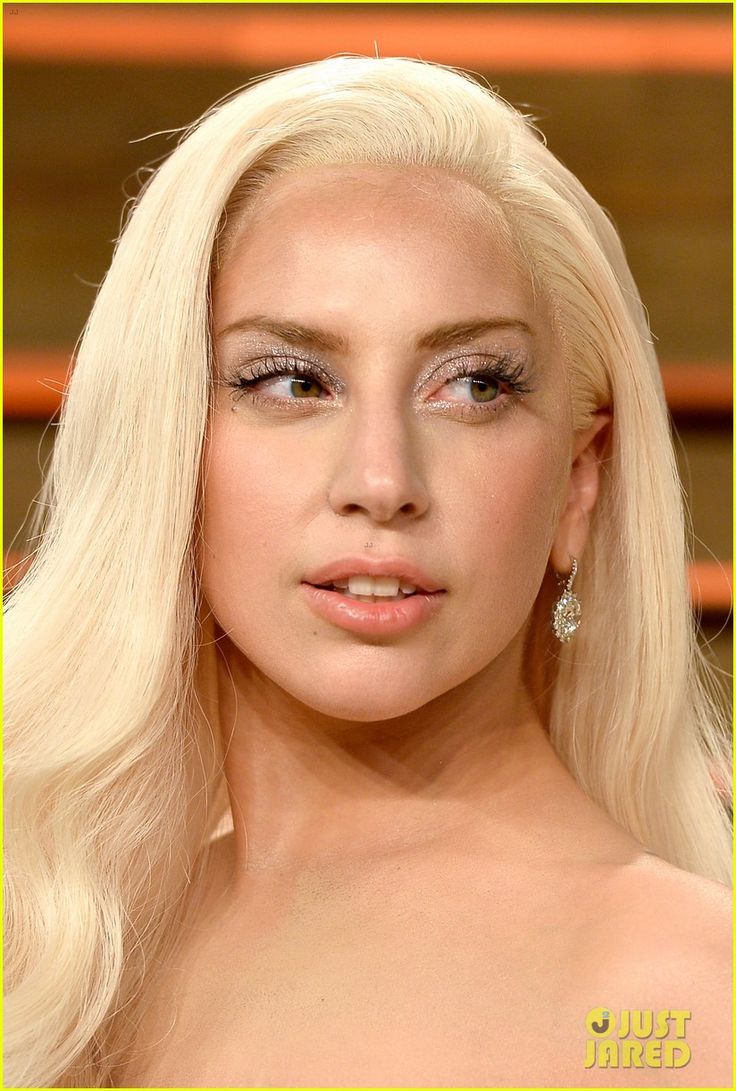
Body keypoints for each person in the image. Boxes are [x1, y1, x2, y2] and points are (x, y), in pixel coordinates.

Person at [4, 55, 731, 1089]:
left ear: (579, 481)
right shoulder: (61, 943)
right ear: (164, 443)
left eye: (472, 385)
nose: (381, 479)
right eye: (291, 380)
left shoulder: (679, 999)